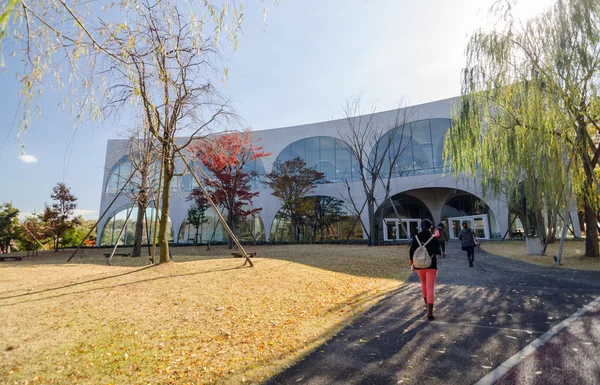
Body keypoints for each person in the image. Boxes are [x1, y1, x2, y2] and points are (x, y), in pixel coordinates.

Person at [409, 219, 441, 320]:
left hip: (419, 265)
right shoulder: (433, 238)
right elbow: (437, 252)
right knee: (430, 287)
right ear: (430, 227)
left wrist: (412, 264)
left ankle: (426, 305)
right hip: (431, 265)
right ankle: (429, 312)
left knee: (423, 283)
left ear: (421, 227)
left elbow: (411, 252)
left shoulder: (416, 238)